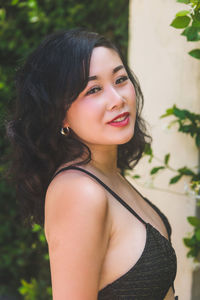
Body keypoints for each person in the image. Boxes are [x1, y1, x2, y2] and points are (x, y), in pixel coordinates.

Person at [7, 28, 178, 299]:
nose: (117, 99)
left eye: (121, 79)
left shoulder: (108, 175)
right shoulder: (79, 192)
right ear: (59, 113)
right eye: (94, 89)